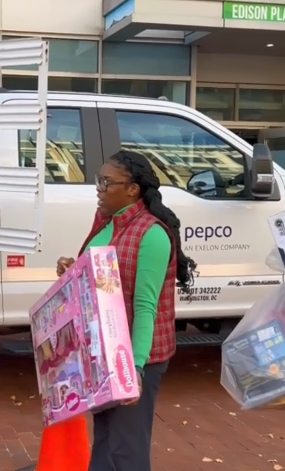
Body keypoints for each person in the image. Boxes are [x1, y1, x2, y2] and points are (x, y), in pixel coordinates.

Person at [56, 150, 195, 471]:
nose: (99, 189)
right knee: (105, 444)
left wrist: (134, 369)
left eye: (107, 182)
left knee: (127, 450)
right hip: (101, 350)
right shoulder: (105, 221)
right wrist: (72, 269)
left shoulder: (153, 235)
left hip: (134, 356)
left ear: (133, 189)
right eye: (98, 181)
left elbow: (146, 307)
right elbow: (98, 281)